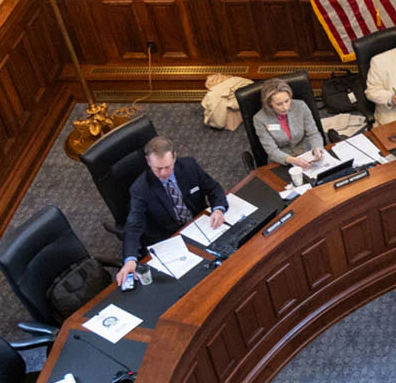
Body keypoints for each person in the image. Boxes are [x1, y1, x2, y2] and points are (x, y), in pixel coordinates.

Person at [117, 136, 227, 284]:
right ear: (149, 162)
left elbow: (214, 189)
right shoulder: (140, 189)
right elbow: (133, 226)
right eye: (158, 169)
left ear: (174, 157)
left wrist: (218, 209)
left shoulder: (189, 166)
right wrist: (130, 259)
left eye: (167, 167)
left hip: (200, 228)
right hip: (170, 240)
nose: (163, 173)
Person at [252, 78, 321, 168]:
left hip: (306, 152)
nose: (285, 107)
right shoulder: (260, 119)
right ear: (269, 103)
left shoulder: (300, 106)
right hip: (281, 159)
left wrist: (317, 148)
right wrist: (293, 160)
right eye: (279, 104)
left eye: (287, 101)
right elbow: (272, 150)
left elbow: (313, 133)